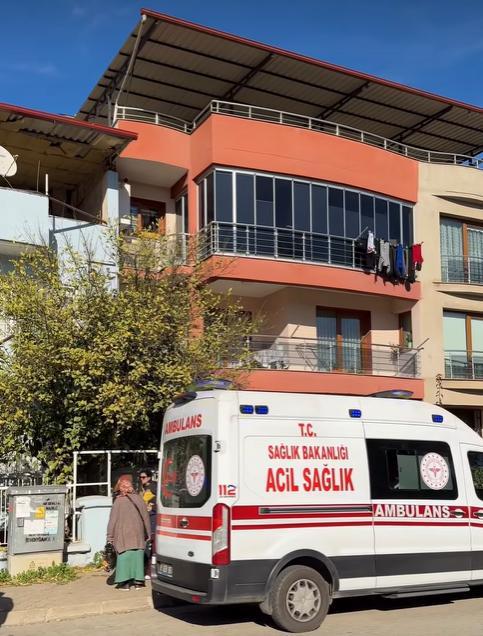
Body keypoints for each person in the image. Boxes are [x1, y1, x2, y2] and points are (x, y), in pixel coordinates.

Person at [106, 476, 151, 591]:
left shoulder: (118, 501)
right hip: (138, 534)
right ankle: (138, 582)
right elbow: (146, 518)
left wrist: (109, 537)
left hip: (123, 535)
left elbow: (112, 521)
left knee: (124, 557)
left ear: (121, 488)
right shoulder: (139, 499)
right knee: (137, 557)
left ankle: (124, 583)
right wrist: (148, 534)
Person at [139, 469, 157, 534]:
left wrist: (152, 506)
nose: (141, 479)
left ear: (149, 478)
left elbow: (161, 498)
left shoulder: (153, 486)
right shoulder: (142, 487)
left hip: (152, 515)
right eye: (140, 477)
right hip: (144, 514)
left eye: (143, 477)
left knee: (151, 534)